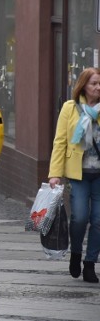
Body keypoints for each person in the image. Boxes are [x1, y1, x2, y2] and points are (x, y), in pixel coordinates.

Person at [48, 67, 100, 283]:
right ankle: (76, 253)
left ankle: (90, 263)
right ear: (83, 85)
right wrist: (55, 173)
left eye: (99, 84)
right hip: (78, 174)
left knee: (98, 221)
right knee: (79, 217)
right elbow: (60, 141)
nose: (98, 87)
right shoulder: (70, 108)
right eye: (94, 83)